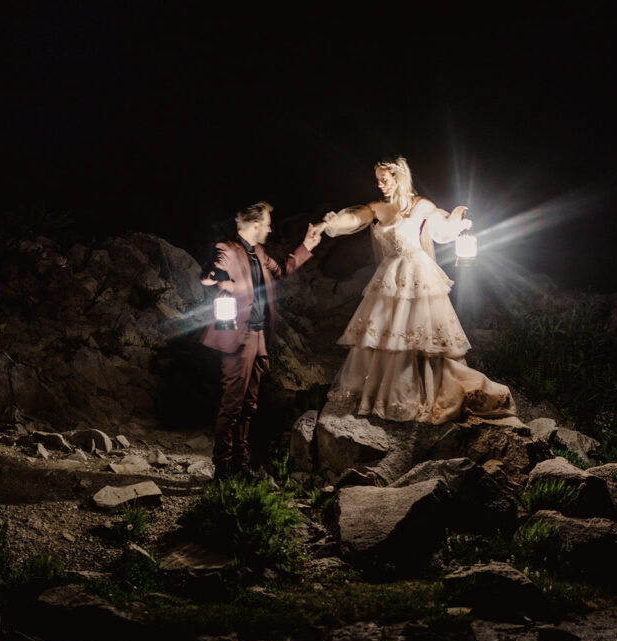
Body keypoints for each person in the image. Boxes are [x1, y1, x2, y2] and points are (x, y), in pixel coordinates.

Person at [318, 157, 515, 424]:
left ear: (398, 178)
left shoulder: (421, 206)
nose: (379, 184)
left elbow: (442, 231)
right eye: (377, 180)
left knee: (418, 338)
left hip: (417, 276)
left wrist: (459, 221)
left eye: (384, 179)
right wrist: (329, 224)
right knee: (387, 336)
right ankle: (388, 393)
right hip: (389, 280)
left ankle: (421, 392)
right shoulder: (378, 207)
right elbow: (355, 218)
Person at [200, 201, 323, 477]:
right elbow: (209, 274)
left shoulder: (260, 252)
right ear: (255, 225)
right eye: (267, 223)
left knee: (250, 405)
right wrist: (215, 276)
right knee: (232, 403)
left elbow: (282, 271)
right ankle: (222, 466)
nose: (270, 228)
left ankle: (241, 462)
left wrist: (307, 246)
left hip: (259, 336)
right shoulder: (227, 250)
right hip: (238, 335)